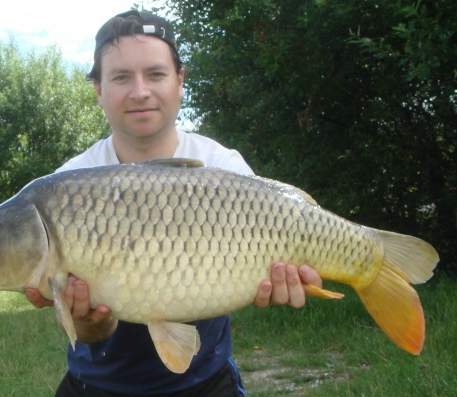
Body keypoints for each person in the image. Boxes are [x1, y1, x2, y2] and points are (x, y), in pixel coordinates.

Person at [25, 10, 323, 397]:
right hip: (96, 384)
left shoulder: (223, 166)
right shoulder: (67, 185)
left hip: (206, 383)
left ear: (180, 81)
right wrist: (89, 322)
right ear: (97, 88)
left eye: (155, 74)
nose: (139, 91)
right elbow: (88, 332)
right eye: (120, 77)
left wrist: (284, 281)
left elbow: (273, 268)